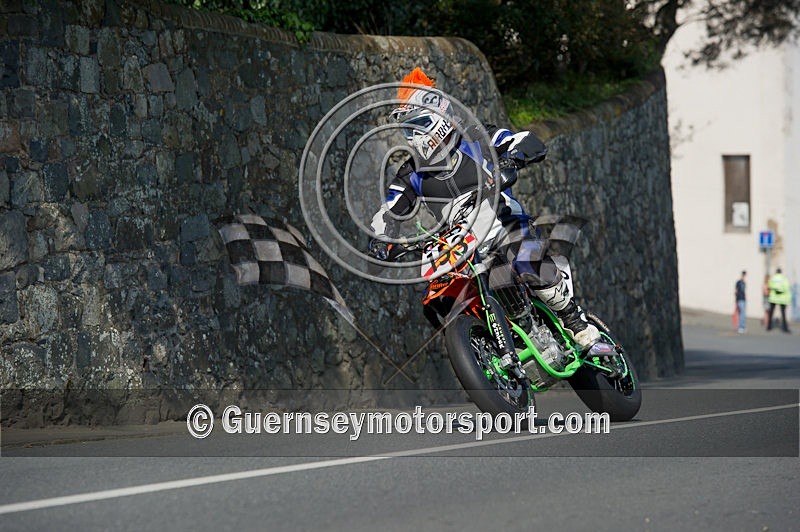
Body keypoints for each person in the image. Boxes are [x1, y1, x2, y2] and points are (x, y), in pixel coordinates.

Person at [368, 67, 612, 355]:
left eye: (418, 126)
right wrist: (379, 240)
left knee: (521, 257)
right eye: (408, 130)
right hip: (459, 243)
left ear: (437, 117)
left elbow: (522, 140)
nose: (413, 137)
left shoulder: (475, 137)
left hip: (504, 223)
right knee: (439, 296)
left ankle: (575, 321)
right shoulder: (411, 172)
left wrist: (513, 159)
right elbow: (390, 209)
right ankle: (487, 346)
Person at [767, 268, 791, 333]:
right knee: (783, 314)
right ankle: (785, 328)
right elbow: (787, 288)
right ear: (781, 272)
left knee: (771, 313)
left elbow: (769, 285)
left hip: (773, 298)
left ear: (776, 272)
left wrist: (775, 289)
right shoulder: (784, 278)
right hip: (782, 299)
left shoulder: (773, 278)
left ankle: (768, 327)